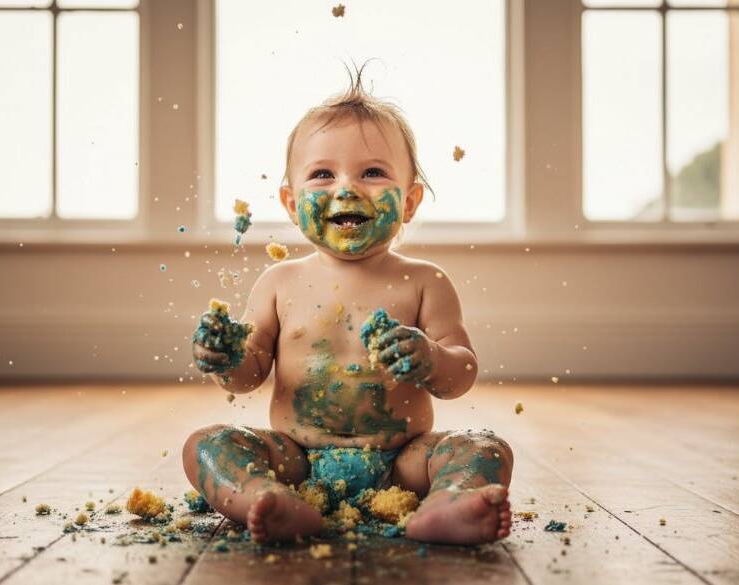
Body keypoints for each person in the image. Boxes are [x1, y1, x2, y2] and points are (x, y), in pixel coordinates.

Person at [183, 69, 513, 544]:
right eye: (322, 174)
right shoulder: (279, 283)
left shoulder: (424, 282)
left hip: (404, 463)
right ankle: (266, 498)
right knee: (206, 445)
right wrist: (226, 358)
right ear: (291, 204)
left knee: (484, 448)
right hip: (295, 458)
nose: (346, 188)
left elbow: (461, 374)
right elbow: (248, 375)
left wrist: (431, 358)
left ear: (410, 201)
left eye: (373, 173)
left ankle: (448, 505)